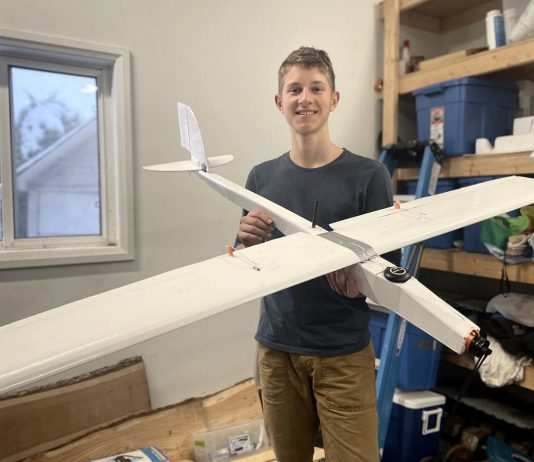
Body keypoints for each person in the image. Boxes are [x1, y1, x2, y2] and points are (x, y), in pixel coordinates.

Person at [235, 46, 398, 462]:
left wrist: (359, 281)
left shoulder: (369, 176)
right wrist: (245, 244)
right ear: (279, 102)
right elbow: (248, 263)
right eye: (294, 89)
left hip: (342, 353)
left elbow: (388, 269)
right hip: (277, 350)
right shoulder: (261, 177)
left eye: (316, 88)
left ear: (334, 99)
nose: (304, 98)